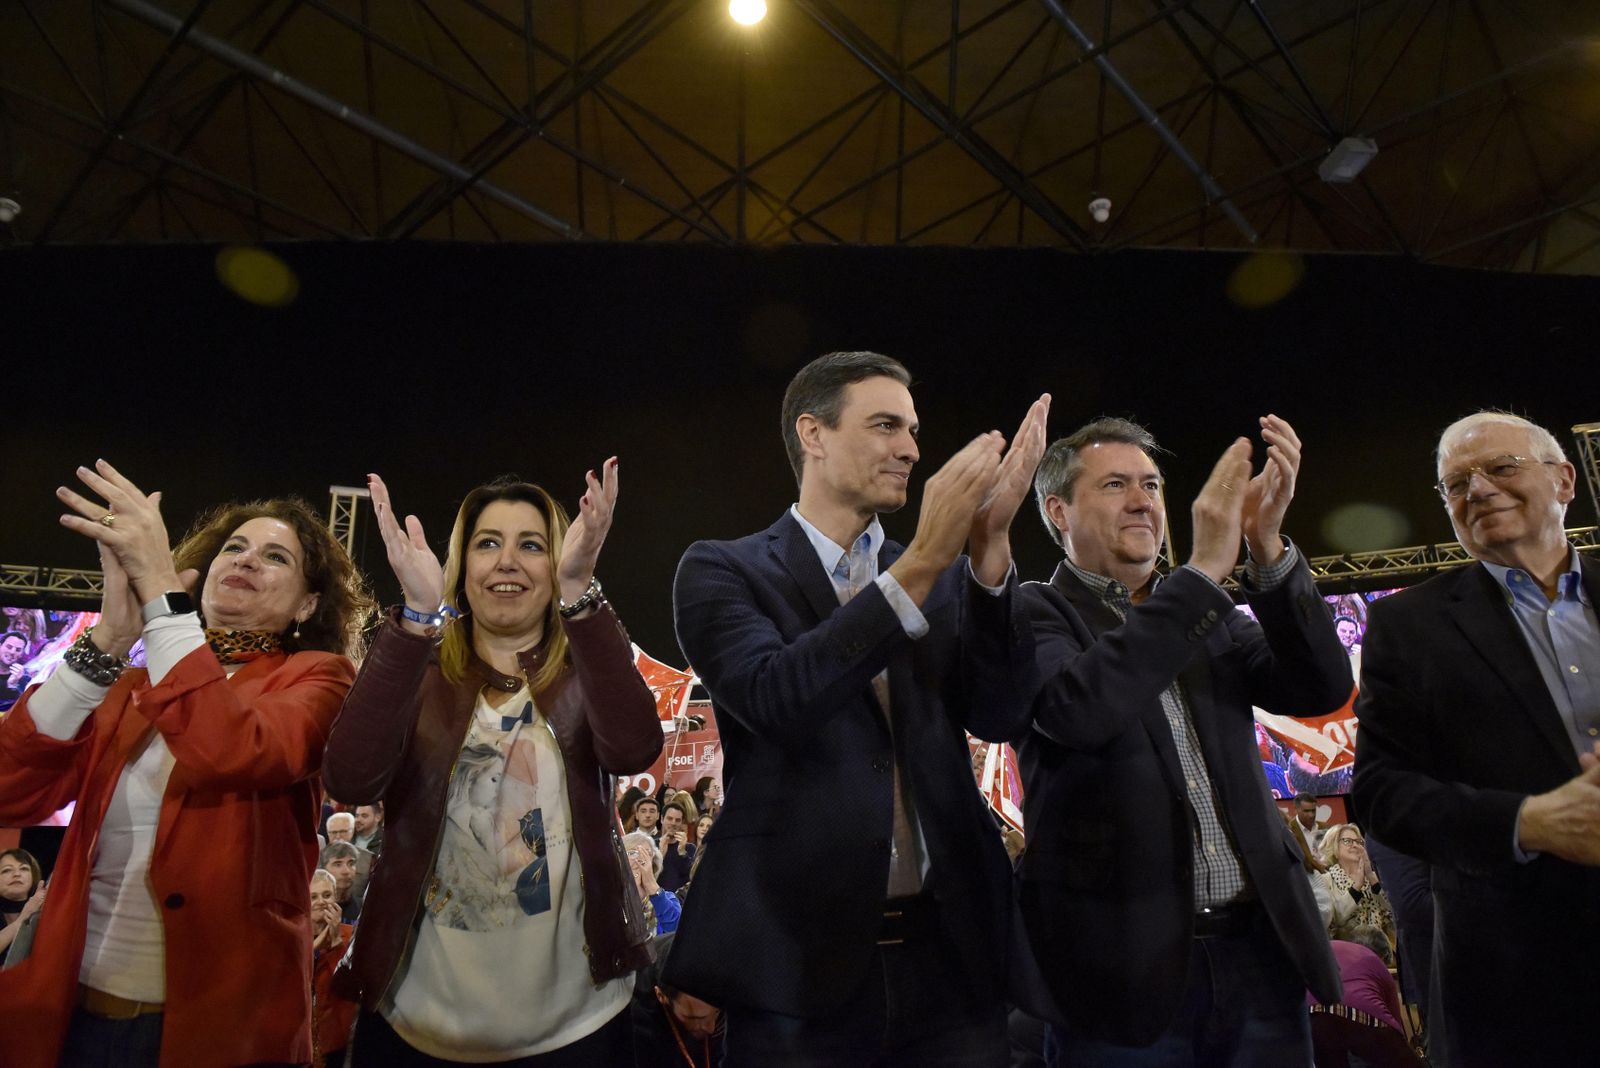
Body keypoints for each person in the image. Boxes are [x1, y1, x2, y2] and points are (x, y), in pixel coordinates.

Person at [667, 349, 1049, 1065]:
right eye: (885, 426)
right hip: (795, 967)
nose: (911, 450)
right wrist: (922, 562)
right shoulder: (724, 568)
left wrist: (990, 551)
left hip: (953, 961)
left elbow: (1000, 715)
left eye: (913, 430)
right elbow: (779, 700)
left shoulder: (942, 572)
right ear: (813, 434)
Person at [0, 461, 370, 1067]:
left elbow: (231, 748)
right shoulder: (133, 685)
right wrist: (110, 639)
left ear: (308, 604)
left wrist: (159, 597)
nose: (247, 560)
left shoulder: (320, 680)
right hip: (70, 1017)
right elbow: (11, 790)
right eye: (235, 547)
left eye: (275, 557)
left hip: (216, 1026)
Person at [1016, 416, 1351, 1065]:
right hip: (1121, 978)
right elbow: (1078, 711)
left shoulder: (1201, 611)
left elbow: (1319, 687)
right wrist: (1199, 577)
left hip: (1259, 960)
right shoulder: (1032, 611)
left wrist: (1266, 546)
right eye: (1115, 484)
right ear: (1058, 511)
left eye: (1151, 484)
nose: (1143, 500)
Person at [322, 466, 663, 1066]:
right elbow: (350, 777)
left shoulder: (586, 668)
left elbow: (634, 749)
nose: (507, 561)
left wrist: (580, 590)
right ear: (463, 566)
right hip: (415, 1026)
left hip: (577, 1027)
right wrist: (416, 617)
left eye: (531, 545)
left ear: (555, 564)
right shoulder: (419, 668)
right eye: (487, 543)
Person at [1352, 411, 1600, 1067]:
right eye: (1456, 484)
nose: (1479, 489)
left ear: (1565, 480)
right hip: (1517, 981)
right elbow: (1381, 793)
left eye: (1501, 467)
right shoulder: (1408, 625)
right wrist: (1526, 821)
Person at [1313, 824, 1396, 945]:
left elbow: (1393, 912)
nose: (1355, 845)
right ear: (1334, 846)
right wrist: (1356, 887)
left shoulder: (1376, 878)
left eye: (1359, 842)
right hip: (1347, 950)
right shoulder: (1325, 880)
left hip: (1379, 949)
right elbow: (1335, 919)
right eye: (1348, 841)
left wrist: (1372, 879)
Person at [311, 868, 358, 1068]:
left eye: (327, 895)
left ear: (336, 898)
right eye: (313, 897)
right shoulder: (295, 939)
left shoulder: (350, 935)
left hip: (336, 1038)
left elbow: (349, 988)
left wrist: (336, 940)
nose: (321, 901)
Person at [625, 831, 681, 936]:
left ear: (653, 863)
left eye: (646, 854)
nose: (640, 859)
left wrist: (651, 887)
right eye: (632, 853)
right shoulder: (609, 898)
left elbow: (678, 932)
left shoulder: (668, 898)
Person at [0, 847, 45, 956]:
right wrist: (23, 918)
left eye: (24, 868)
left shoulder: (45, 910)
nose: (17, 874)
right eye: (7, 870)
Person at [657, 796, 697, 893]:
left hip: (680, 900)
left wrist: (682, 853)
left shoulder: (689, 848)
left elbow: (692, 878)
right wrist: (660, 855)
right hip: (656, 898)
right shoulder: (651, 845)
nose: (673, 823)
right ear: (662, 819)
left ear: (682, 822)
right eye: (669, 818)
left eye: (677, 820)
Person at [321, 841, 364, 925]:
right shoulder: (313, 907)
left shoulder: (364, 908)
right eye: (338, 864)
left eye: (351, 864)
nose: (346, 871)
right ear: (323, 869)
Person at [1289, 794, 1330, 873]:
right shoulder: (1290, 830)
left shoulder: (1325, 827)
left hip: (1331, 873)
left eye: (1313, 810)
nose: (1311, 815)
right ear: (1296, 809)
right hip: (1306, 875)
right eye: (1306, 811)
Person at [0, 632, 31, 711]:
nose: (12, 652)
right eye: (9, 647)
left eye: (18, 650)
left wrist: (13, 685)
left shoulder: (25, 678)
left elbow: (22, 706)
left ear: (21, 654)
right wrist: (8, 685)